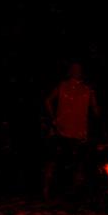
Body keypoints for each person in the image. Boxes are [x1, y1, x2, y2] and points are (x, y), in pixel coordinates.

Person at [43, 63, 99, 201]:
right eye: (73, 69)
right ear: (69, 71)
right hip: (60, 130)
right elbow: (48, 101)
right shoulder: (62, 86)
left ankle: (73, 195)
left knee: (77, 165)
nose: (76, 71)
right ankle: (46, 191)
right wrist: (53, 119)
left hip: (80, 132)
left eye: (78, 69)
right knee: (54, 162)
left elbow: (96, 110)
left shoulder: (87, 89)